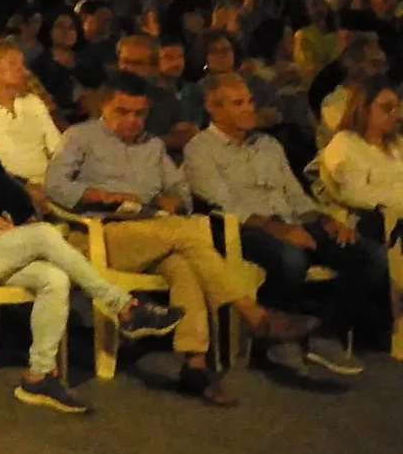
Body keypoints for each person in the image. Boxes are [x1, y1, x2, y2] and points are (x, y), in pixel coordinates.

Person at [0, 71, 182, 414]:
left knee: (53, 278)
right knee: (44, 236)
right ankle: (123, 306)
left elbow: (11, 195)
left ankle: (38, 377)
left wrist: (20, 217)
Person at [46, 70, 307, 405]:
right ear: (105, 108)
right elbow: (53, 185)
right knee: (193, 231)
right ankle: (251, 312)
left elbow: (180, 190)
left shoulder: (152, 146)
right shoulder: (80, 138)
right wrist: (94, 195)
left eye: (139, 114)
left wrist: (174, 199)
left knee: (185, 261)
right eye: (122, 112)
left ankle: (194, 364)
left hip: (155, 229)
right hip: (100, 231)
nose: (131, 121)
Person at [185, 72, 389, 377]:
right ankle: (273, 342)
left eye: (250, 101)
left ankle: (321, 331)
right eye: (238, 103)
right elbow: (226, 206)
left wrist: (324, 220)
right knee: (289, 259)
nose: (248, 108)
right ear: (214, 109)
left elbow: (295, 196)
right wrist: (279, 229)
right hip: (243, 229)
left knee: (369, 255)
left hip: (290, 221)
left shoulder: (268, 145)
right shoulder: (200, 149)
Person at [0, 42, 64, 206]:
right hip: (7, 191)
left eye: (22, 63)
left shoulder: (33, 102)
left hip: (51, 187)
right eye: (13, 63)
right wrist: (23, 187)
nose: (23, 70)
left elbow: (57, 149)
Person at [317, 79, 403, 219]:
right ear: (364, 108)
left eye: (397, 108)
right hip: (375, 220)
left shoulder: (398, 144)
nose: (396, 115)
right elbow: (354, 194)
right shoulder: (345, 143)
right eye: (387, 108)